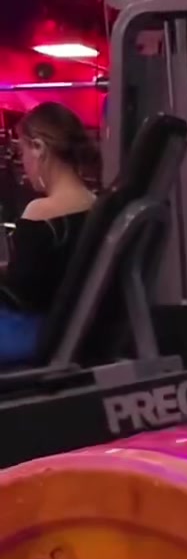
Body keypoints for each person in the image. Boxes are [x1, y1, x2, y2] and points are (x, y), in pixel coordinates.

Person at [0, 102, 98, 366]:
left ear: (39, 148)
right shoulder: (94, 205)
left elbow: (18, 295)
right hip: (71, 330)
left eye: (22, 152)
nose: (23, 163)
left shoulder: (41, 211)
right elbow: (47, 271)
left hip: (29, 334)